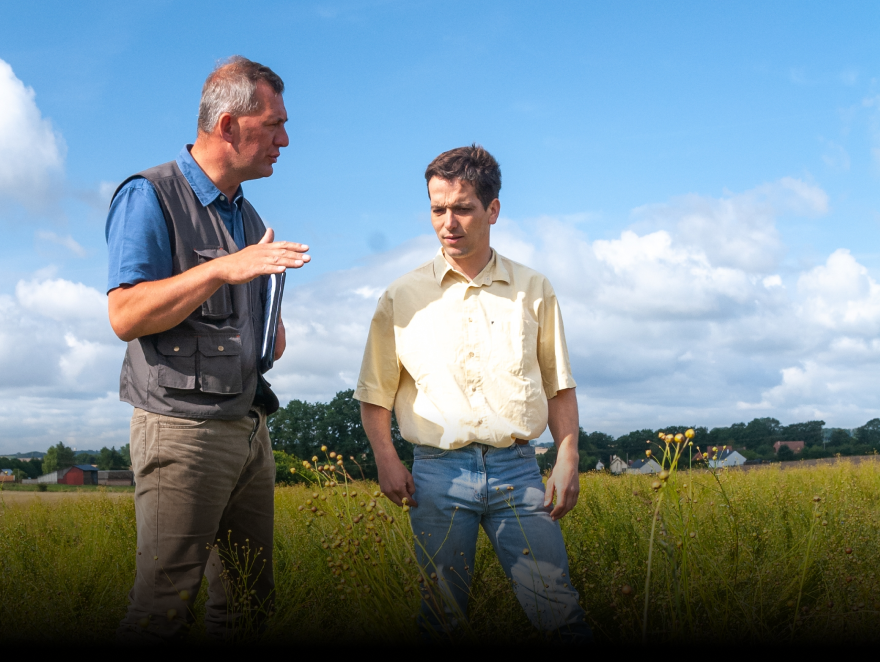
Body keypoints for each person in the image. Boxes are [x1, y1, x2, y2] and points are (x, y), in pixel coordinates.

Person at [105, 56, 310, 640]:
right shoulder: (149, 196)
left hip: (248, 428)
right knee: (163, 608)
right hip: (182, 431)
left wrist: (268, 332)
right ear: (227, 126)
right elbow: (125, 315)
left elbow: (240, 321)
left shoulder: (249, 218)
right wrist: (225, 269)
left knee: (248, 603)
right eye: (273, 124)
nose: (284, 139)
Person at [354, 145, 591, 640]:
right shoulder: (401, 296)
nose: (448, 222)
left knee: (558, 611)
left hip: (519, 471)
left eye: (462, 208)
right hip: (436, 476)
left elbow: (558, 384)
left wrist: (567, 456)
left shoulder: (534, 288)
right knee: (441, 618)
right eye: (438, 209)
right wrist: (385, 459)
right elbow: (375, 392)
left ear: (493, 210)